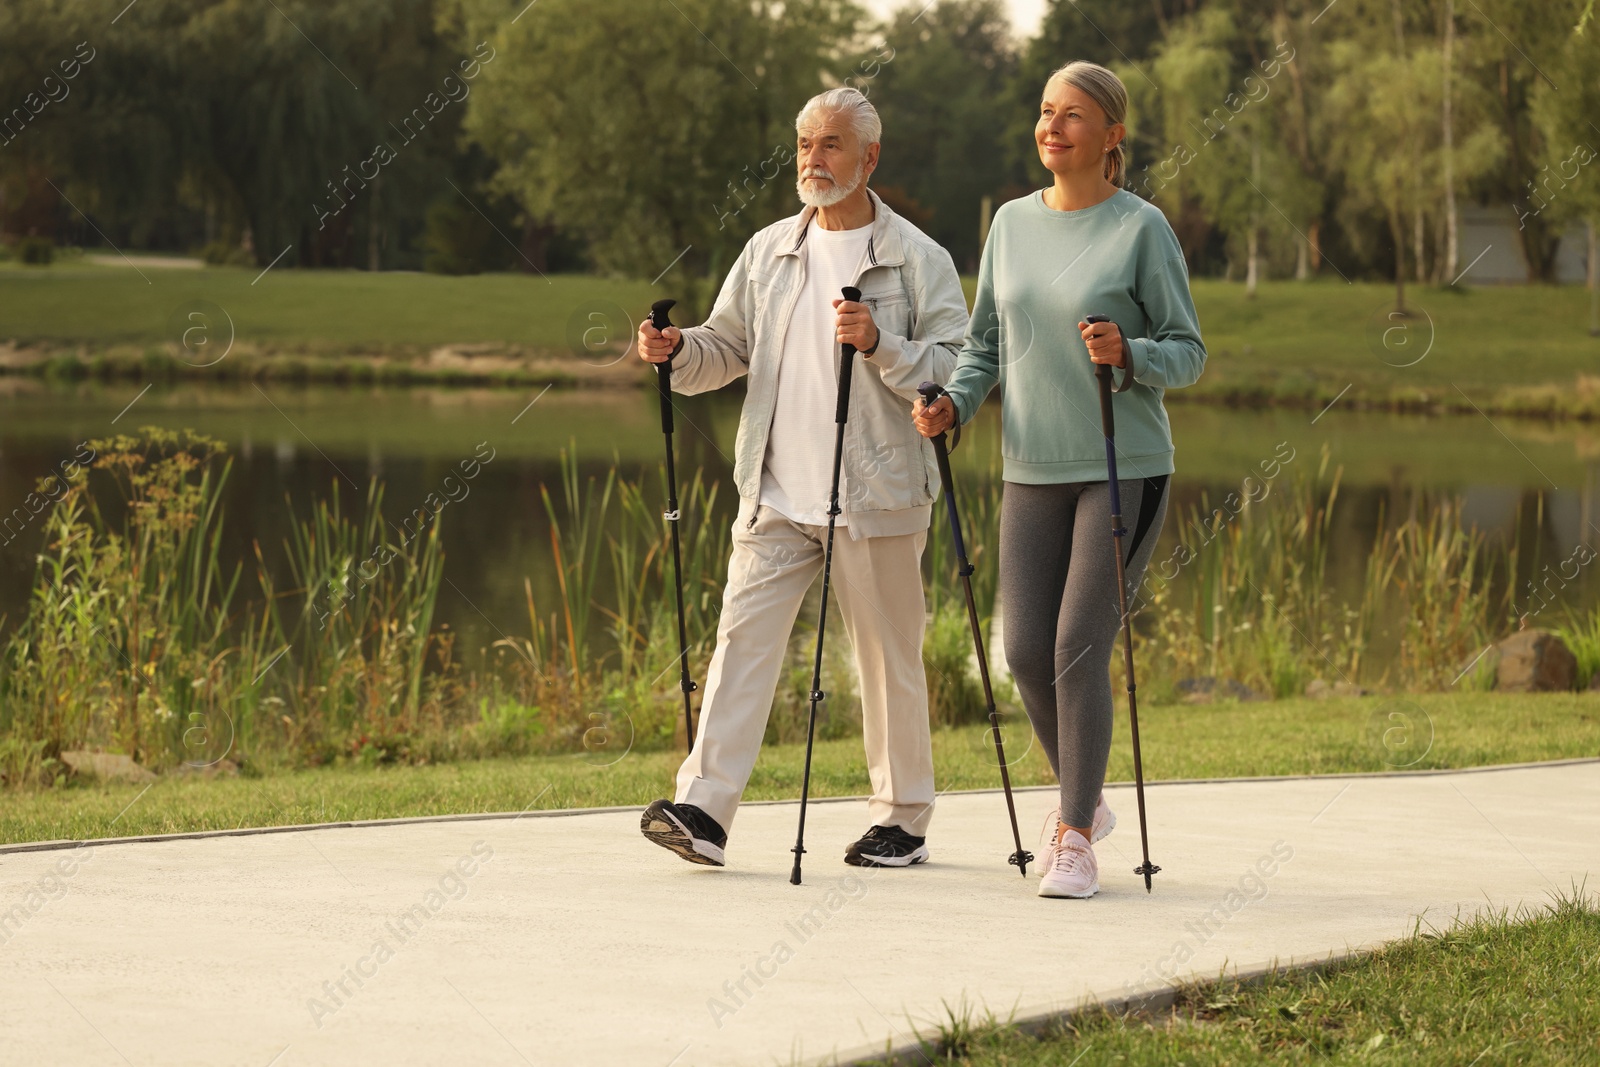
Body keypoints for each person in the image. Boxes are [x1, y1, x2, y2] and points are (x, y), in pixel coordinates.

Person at [636, 87, 970, 870]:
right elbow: (726, 345)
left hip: (878, 494)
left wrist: (884, 343)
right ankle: (704, 811)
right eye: (804, 146)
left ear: (869, 158)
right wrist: (678, 348)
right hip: (775, 491)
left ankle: (903, 820)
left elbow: (958, 366)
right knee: (740, 645)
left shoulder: (919, 258)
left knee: (888, 661)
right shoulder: (769, 252)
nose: (813, 160)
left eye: (830, 145)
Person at [913, 61, 1206, 899]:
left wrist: (1132, 354)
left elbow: (1188, 350)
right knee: (1020, 650)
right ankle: (1088, 793)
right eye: (1045, 112)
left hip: (1125, 464)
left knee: (1079, 645)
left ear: (1111, 135)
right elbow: (984, 348)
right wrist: (954, 406)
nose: (1053, 127)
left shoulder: (1142, 228)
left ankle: (1074, 831)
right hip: (1031, 465)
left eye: (1073, 116)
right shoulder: (1010, 224)